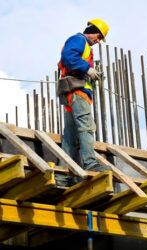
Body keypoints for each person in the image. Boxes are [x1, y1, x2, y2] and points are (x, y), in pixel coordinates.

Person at [56, 19, 110, 186]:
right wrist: (88, 69)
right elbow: (68, 57)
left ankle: (61, 177)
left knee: (70, 139)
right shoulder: (79, 40)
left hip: (73, 94)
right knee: (87, 127)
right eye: (99, 37)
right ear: (92, 30)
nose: (98, 41)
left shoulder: (85, 47)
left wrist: (92, 74)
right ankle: (90, 163)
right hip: (77, 93)